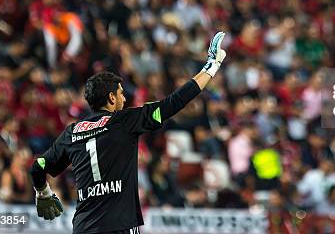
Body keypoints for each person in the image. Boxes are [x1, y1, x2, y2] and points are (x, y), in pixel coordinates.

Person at [29, 32, 227, 233]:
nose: (124, 99)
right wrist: (211, 66)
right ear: (111, 98)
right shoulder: (124, 121)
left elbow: (38, 166)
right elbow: (174, 102)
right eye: (121, 93)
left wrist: (43, 193)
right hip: (119, 226)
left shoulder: (71, 133)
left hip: (84, 228)